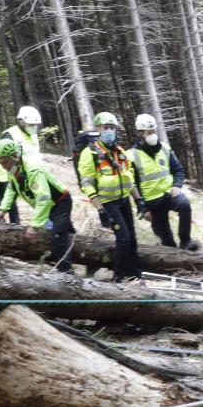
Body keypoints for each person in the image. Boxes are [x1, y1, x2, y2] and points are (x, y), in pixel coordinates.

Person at [0, 138, 74, 273]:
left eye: (5, 162)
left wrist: (34, 225)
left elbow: (44, 198)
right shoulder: (13, 169)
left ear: (15, 156)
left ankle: (66, 273)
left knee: (58, 236)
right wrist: (2, 210)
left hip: (60, 202)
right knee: (65, 233)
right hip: (48, 206)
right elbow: (12, 189)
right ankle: (81, 254)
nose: (3, 166)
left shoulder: (32, 169)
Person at [76, 111, 143, 282]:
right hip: (108, 202)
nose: (110, 131)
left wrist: (139, 200)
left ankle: (134, 273)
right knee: (124, 239)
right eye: (106, 127)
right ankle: (118, 276)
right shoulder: (90, 153)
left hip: (123, 200)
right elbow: (87, 183)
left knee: (132, 238)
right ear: (98, 128)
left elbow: (129, 178)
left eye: (112, 128)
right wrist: (100, 210)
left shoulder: (119, 151)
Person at [130, 114, 197, 251]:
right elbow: (132, 184)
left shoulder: (165, 149)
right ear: (141, 134)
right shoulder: (132, 155)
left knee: (184, 205)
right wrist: (143, 208)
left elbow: (178, 169)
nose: (153, 135)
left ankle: (186, 241)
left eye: (154, 131)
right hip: (152, 202)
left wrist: (177, 186)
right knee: (167, 242)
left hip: (170, 195)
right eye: (149, 132)